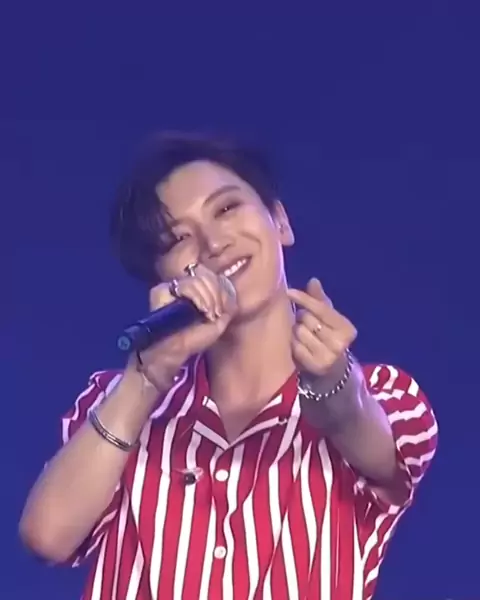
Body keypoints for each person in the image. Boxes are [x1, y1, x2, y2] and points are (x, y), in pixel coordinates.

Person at [19, 132, 438, 600]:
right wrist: (145, 381)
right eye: (178, 238)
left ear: (280, 221)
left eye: (226, 208)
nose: (213, 243)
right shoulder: (115, 401)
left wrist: (331, 381)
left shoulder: (387, 394)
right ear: (161, 276)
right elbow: (47, 537)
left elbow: (364, 432)